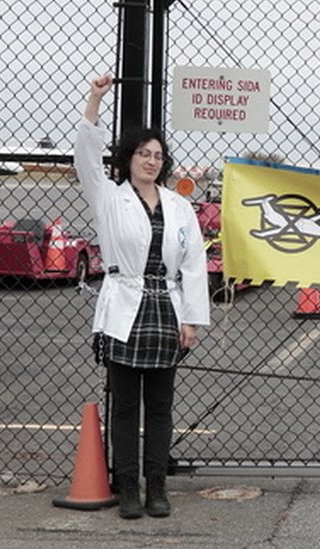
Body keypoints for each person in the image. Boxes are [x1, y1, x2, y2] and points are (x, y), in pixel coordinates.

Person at [75, 73, 210, 519]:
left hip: (163, 307)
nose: (151, 161)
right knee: (126, 405)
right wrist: (95, 101)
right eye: (143, 153)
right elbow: (86, 158)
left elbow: (192, 263)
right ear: (129, 158)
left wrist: (189, 319)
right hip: (125, 305)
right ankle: (127, 487)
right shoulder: (109, 198)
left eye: (158, 156)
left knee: (160, 406)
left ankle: (157, 488)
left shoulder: (178, 206)